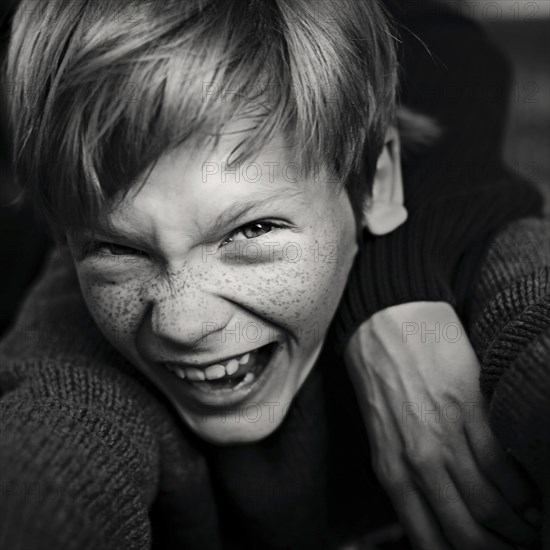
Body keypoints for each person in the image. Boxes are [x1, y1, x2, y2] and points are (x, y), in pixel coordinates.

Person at [0, 1, 548, 549]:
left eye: (251, 230)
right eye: (116, 247)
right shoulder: (71, 335)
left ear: (378, 184)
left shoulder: (486, 266)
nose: (182, 323)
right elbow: (49, 452)